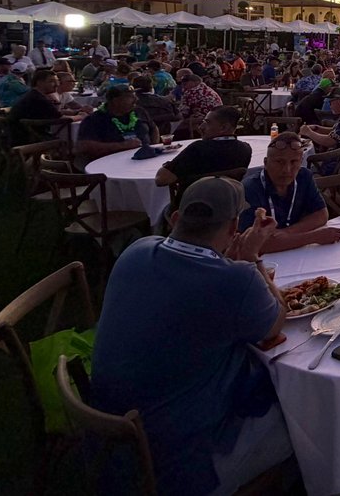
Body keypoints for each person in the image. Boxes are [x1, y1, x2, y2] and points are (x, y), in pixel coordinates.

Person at [91, 177, 292, 495]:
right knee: (304, 413)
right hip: (183, 462)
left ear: (174, 218)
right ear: (232, 228)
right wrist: (253, 257)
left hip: (109, 439)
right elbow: (275, 322)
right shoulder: (236, 282)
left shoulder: (136, 251)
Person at [240, 132, 340, 252]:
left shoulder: (304, 176)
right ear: (265, 163)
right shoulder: (250, 188)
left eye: (293, 162)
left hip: (296, 253)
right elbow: (251, 244)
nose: (287, 170)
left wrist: (287, 233)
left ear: (301, 162)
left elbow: (321, 214)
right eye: (280, 162)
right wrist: (312, 237)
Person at [155, 106, 253, 193]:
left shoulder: (198, 149)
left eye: (207, 123)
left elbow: (161, 179)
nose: (201, 127)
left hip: (190, 208)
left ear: (224, 127)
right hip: (228, 207)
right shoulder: (246, 149)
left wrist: (168, 164)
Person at [75, 85, 156, 165]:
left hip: (145, 161)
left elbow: (154, 129)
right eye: (130, 97)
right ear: (115, 100)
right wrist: (122, 145)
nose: (136, 99)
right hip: (110, 165)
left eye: (135, 96)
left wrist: (152, 148)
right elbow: (84, 146)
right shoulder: (95, 119)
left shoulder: (139, 112)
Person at [7, 69, 71, 145]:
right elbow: (60, 118)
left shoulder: (34, 94)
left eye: (57, 81)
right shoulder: (38, 99)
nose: (56, 84)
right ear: (39, 83)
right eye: (51, 81)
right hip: (28, 138)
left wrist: (76, 112)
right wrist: (82, 116)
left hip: (22, 134)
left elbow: (54, 112)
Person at [176, 69, 223, 136]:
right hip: (218, 116)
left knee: (176, 124)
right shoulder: (206, 88)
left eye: (185, 83)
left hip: (205, 119)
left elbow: (183, 112)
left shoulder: (191, 92)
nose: (183, 85)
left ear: (194, 82)